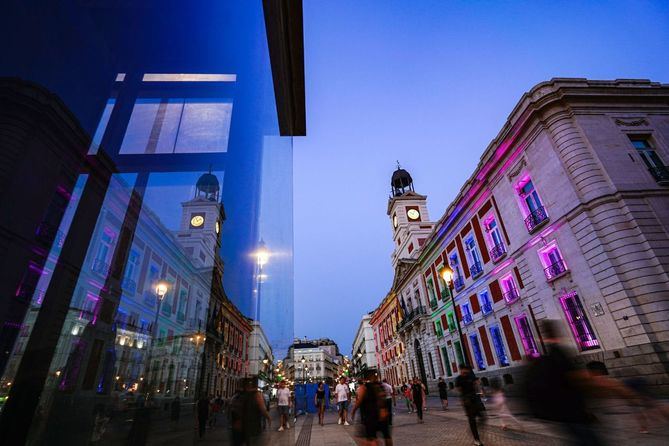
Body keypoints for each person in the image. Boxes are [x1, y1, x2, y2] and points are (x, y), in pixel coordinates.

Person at [351, 371, 393, 446]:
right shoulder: (381, 386)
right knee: (387, 436)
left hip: (370, 416)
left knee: (371, 438)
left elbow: (359, 401)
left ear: (365, 378)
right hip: (382, 416)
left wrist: (353, 411)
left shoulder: (364, 387)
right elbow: (385, 399)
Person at [229, 378, 271, 445]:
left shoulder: (237, 395)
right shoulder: (256, 395)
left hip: (237, 426)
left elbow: (231, 406)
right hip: (251, 426)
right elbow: (262, 408)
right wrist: (268, 417)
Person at [455, 365, 486, 446]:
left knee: (483, 416)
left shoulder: (471, 376)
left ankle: (475, 430)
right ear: (461, 370)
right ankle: (477, 440)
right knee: (472, 420)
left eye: (466, 370)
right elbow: (458, 390)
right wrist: (462, 400)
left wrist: (481, 392)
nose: (465, 372)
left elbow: (477, 383)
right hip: (467, 401)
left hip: (475, 399)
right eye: (463, 370)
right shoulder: (458, 379)